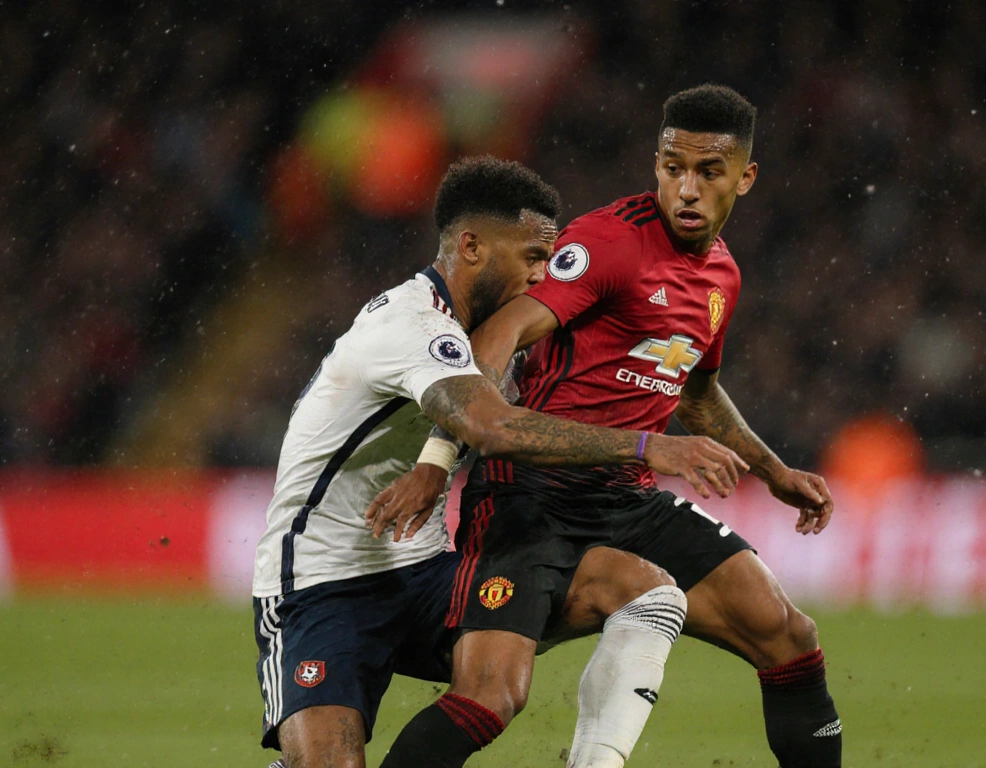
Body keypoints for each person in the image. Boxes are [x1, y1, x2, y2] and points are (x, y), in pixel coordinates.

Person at [375, 85, 842, 767]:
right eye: (670, 166)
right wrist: (440, 454)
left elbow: (696, 391)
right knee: (490, 696)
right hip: (526, 493)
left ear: (744, 178)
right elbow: (496, 338)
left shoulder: (721, 278)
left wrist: (774, 472)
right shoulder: (608, 242)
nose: (684, 188)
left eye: (707, 173)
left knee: (787, 634)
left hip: (624, 495)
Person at [251, 155, 749, 768]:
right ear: (472, 247)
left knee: (643, 593)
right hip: (320, 586)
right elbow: (493, 426)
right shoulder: (411, 327)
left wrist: (435, 464)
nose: (546, 277)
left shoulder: (484, 335)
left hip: (423, 574)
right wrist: (650, 446)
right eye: (533, 258)